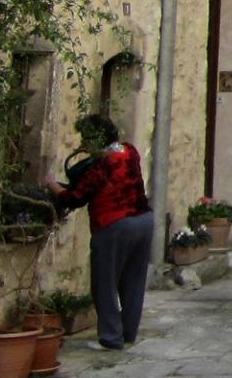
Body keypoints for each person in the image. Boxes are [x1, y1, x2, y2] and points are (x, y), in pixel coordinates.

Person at [46, 112, 153, 351]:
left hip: (114, 224)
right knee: (133, 281)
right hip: (144, 220)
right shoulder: (129, 151)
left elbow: (75, 198)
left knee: (104, 281)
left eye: (86, 138)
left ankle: (111, 338)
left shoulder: (102, 165)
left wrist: (52, 185)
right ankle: (128, 333)